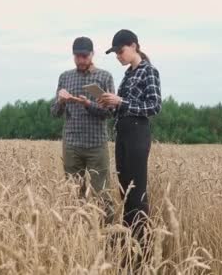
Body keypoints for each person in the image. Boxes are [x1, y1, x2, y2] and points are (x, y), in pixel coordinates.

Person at [98, 29, 162, 241]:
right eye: (115, 53)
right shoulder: (128, 75)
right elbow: (122, 107)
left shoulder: (148, 71)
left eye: (120, 51)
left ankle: (142, 247)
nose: (118, 56)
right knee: (125, 192)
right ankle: (129, 245)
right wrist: (109, 103)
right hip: (123, 134)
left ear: (134, 46)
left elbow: (154, 106)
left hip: (137, 134)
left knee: (136, 194)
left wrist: (121, 101)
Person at [51, 36, 115, 224]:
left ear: (92, 54)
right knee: (73, 195)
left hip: (96, 145)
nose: (80, 60)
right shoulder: (65, 77)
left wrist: (88, 104)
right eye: (77, 56)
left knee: (102, 194)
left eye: (84, 56)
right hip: (71, 145)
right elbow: (54, 112)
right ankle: (77, 238)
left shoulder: (104, 77)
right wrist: (61, 101)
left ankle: (108, 235)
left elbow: (110, 112)